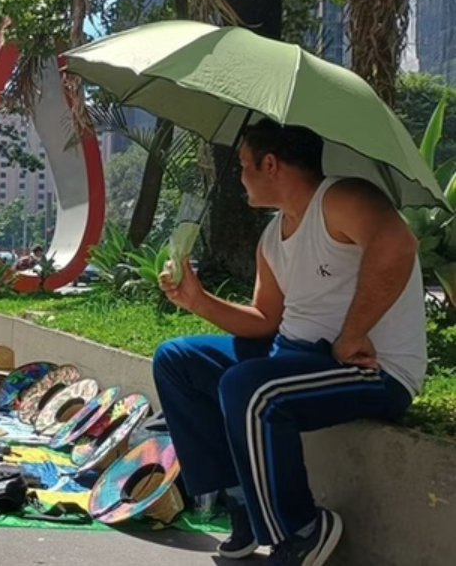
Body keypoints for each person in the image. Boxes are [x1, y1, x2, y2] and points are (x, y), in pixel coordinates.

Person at [152, 120, 424, 566]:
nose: (239, 177)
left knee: (249, 387)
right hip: (295, 357)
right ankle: (241, 503)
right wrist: (197, 300)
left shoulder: (341, 198)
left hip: (372, 368)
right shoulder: (273, 236)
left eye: (243, 165)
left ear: (271, 164)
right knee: (177, 360)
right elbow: (264, 320)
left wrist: (352, 333)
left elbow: (397, 245)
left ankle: (301, 529)